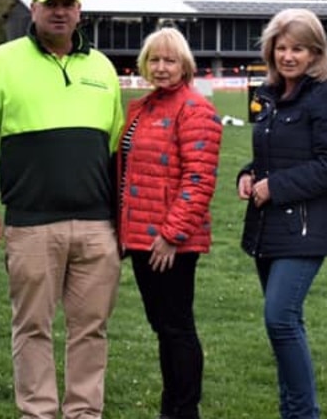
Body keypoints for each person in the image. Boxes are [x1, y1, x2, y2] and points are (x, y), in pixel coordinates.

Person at [0, 0, 125, 419]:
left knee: (91, 329)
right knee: (32, 328)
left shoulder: (102, 68)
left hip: (96, 225)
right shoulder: (1, 62)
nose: (59, 11)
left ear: (79, 11)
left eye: (67, 4)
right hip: (31, 224)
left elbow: (114, 148)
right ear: (34, 9)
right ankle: (38, 412)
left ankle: (84, 412)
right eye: (51, 3)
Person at [237, 8, 327, 419]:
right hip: (269, 225)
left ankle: (304, 413)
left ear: (315, 52)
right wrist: (249, 174)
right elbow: (271, 155)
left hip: (305, 227)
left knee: (280, 318)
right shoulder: (270, 95)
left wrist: (276, 187)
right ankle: (292, 412)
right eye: (282, 48)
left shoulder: (325, 95)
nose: (289, 56)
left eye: (299, 49)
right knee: (285, 324)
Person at [117, 27, 222, 419]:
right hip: (141, 239)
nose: (161, 68)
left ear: (185, 65)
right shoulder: (141, 107)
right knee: (163, 327)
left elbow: (198, 180)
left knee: (177, 328)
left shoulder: (195, 109)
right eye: (155, 60)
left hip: (170, 243)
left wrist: (171, 235)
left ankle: (183, 409)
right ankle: (172, 407)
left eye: (169, 60)